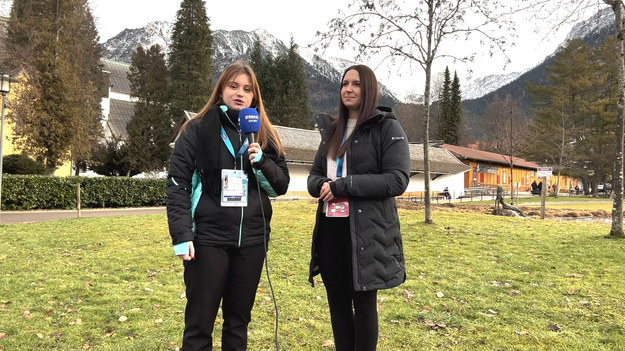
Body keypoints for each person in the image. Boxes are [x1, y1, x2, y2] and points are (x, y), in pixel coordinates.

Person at [166, 61, 290, 351]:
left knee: (238, 323)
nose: (240, 93)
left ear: (255, 96)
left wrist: (261, 161)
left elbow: (280, 186)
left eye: (247, 89)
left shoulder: (264, 135)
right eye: (233, 86)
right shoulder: (196, 129)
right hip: (207, 240)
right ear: (221, 89)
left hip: (252, 242)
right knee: (199, 324)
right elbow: (177, 185)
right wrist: (182, 235)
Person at [307, 64, 411, 351]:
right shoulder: (331, 131)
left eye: (356, 84)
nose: (348, 89)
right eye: (344, 84)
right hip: (331, 230)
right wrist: (321, 186)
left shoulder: (387, 127)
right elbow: (314, 176)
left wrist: (344, 185)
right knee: (338, 306)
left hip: (368, 234)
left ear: (369, 90)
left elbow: (397, 180)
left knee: (364, 307)